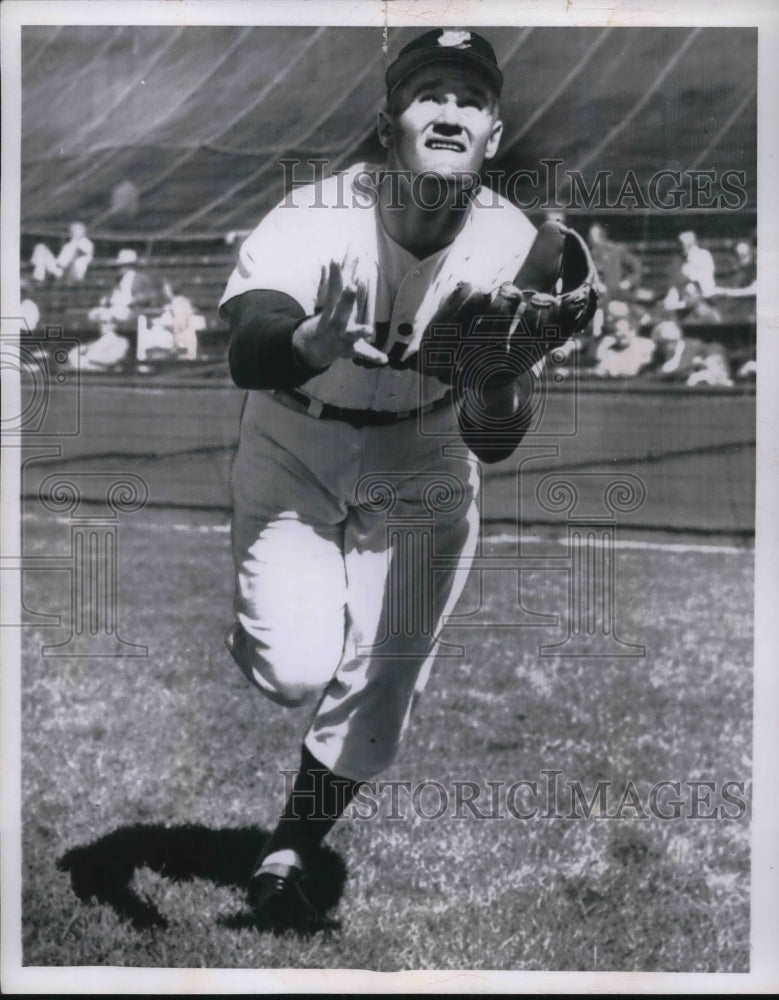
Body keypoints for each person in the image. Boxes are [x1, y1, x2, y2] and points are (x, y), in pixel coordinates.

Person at [218, 28, 546, 931]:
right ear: (387, 121)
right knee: (294, 668)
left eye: (470, 98)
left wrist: (505, 377)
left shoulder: (514, 244)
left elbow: (497, 440)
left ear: (492, 131)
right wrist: (300, 342)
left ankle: (291, 847)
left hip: (425, 449)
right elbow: (246, 342)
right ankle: (277, 620)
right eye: (428, 92)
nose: (449, 108)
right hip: (296, 433)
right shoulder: (317, 212)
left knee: (383, 680)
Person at [30, 221, 94, 282]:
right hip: (59, 269)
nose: (74, 231)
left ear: (83, 231)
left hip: (70, 272)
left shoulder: (86, 243)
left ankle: (39, 277)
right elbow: (60, 261)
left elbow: (77, 255)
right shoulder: (68, 245)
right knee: (40, 247)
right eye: (73, 229)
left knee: (41, 253)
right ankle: (39, 276)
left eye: (78, 229)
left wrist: (60, 269)